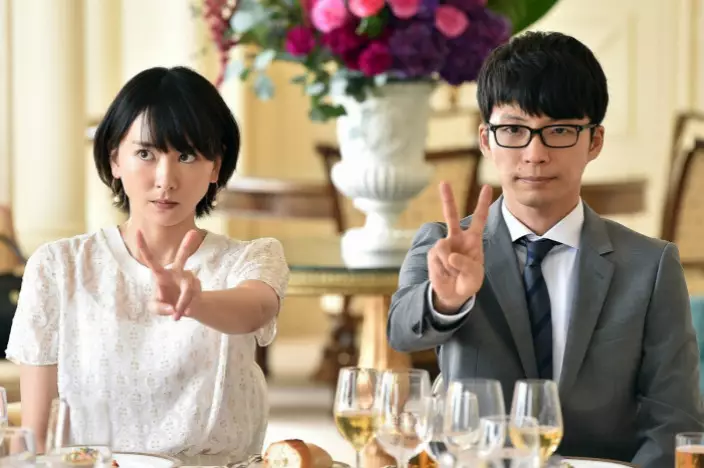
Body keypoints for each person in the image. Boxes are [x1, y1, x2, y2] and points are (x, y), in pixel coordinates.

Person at [387, 31, 704, 466]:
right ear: (486, 140)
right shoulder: (445, 245)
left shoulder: (650, 266)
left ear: (594, 141)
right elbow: (401, 333)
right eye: (513, 130)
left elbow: (673, 420)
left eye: (559, 130)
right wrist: (444, 301)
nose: (535, 154)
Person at [6, 66, 289, 465]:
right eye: (145, 153)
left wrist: (195, 303)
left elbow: (255, 308)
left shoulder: (253, 256)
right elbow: (35, 441)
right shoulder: (57, 266)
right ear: (114, 160)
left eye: (186, 155)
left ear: (215, 166)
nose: (165, 179)